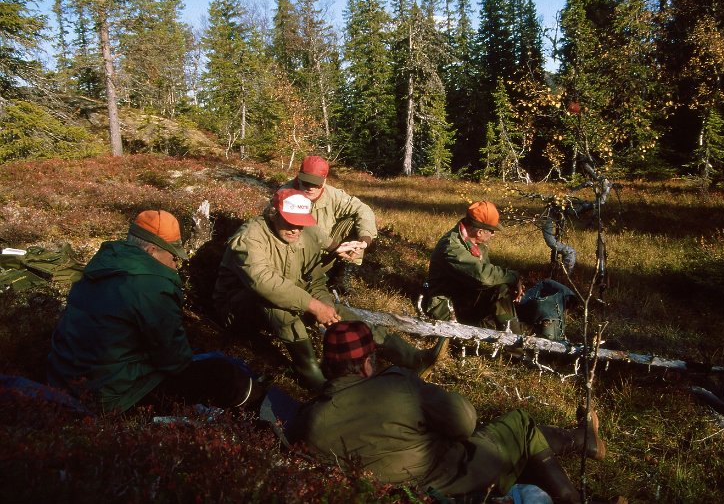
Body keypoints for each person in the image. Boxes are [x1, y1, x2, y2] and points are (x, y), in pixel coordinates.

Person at [290, 321, 621, 504]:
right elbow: (465, 421)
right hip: (452, 481)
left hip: (397, 491)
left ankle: (580, 439)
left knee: (508, 441)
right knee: (518, 424)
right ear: (367, 363)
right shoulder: (396, 385)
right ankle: (574, 490)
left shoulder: (309, 420)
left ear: (328, 366)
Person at [213, 189, 446, 391]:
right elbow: (264, 283)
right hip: (238, 309)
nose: (295, 229)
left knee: (341, 314)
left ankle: (412, 358)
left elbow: (314, 280)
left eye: (300, 223)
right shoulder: (250, 237)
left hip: (293, 295)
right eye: (289, 222)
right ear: (274, 214)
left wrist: (326, 308)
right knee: (275, 305)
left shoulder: (308, 234)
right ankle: (313, 376)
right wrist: (313, 306)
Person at [47, 210, 260, 413]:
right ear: (152, 251)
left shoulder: (104, 263)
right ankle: (267, 412)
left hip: (64, 382)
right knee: (224, 374)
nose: (175, 265)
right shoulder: (152, 285)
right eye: (173, 256)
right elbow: (174, 361)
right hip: (112, 398)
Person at [423, 201, 525, 331]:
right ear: (480, 232)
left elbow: (485, 277)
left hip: (463, 297)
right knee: (500, 290)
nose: (493, 234)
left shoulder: (474, 244)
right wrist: (514, 277)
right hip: (446, 308)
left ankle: (513, 333)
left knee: (503, 290)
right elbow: (483, 276)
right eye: (492, 231)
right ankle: (516, 347)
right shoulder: (452, 247)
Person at [280, 155, 378, 291]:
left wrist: (364, 240)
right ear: (299, 177)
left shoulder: (334, 195)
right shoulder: (285, 195)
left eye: (315, 183)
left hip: (327, 249)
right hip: (295, 254)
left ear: (324, 181)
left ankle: (342, 274)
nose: (310, 188)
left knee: (353, 221)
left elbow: (364, 210)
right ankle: (308, 275)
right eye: (306, 182)